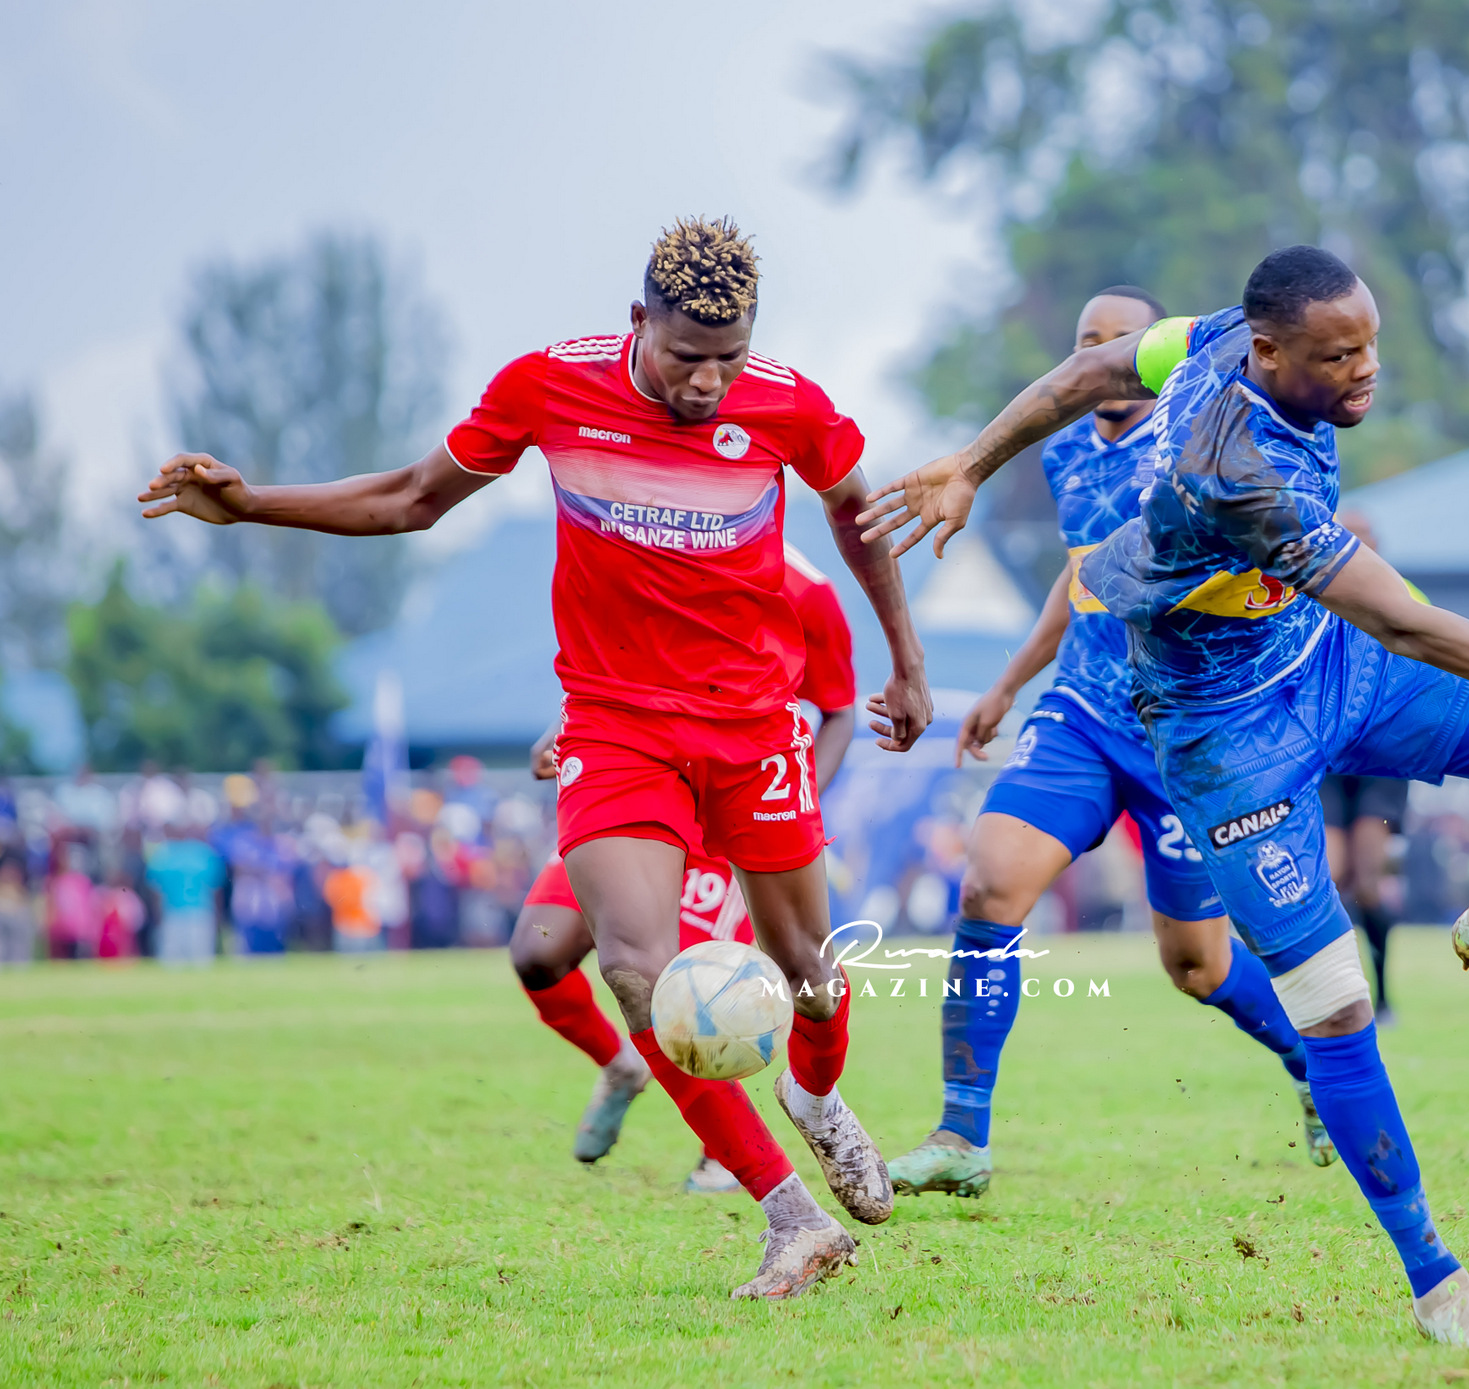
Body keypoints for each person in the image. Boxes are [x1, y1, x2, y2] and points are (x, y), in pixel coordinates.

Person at [859, 245, 1469, 1349]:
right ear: (1271, 353)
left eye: (1369, 345)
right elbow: (1402, 620)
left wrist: (970, 463)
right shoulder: (1238, 477)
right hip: (1230, 739)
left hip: (1327, 663)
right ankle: (1439, 1287)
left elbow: (1088, 374)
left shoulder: (1214, 334)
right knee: (1336, 1006)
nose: (1366, 371)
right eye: (1339, 356)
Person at [138, 216, 933, 1301]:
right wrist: (252, 506)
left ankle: (817, 1098)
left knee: (811, 977)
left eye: (729, 358)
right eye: (686, 356)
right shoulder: (550, 387)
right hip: (614, 725)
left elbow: (858, 518)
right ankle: (788, 1217)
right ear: (638, 320)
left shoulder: (788, 404)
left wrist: (906, 663)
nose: (708, 383)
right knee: (636, 969)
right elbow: (414, 498)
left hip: (754, 729)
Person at [887, 288, 1334, 1205]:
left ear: (1155, 352)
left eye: (1120, 340)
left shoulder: (1199, 439)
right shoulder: (1061, 451)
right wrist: (1009, 683)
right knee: (989, 882)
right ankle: (961, 1133)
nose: (1101, 355)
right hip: (1085, 711)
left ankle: (1309, 1056)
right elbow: (1081, 570)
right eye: (1086, 340)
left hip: (1186, 730)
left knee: (1198, 966)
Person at [510, 543, 858, 1193]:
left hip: (727, 810)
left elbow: (838, 707)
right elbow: (612, 662)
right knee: (537, 953)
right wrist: (561, 729)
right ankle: (621, 1066)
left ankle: (728, 1152)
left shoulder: (806, 590)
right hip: (628, 785)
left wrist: (793, 809)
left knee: (698, 987)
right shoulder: (640, 539)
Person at [1317, 509, 1414, 1024]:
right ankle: (1334, 997)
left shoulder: (1404, 595)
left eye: (1365, 539)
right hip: (1328, 755)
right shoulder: (1306, 599)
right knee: (1331, 874)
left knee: (1370, 881)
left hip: (1383, 755)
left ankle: (1384, 994)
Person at [146, 823, 226, 965]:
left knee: (195, 961)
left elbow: (216, 888)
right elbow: (156, 891)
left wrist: (217, 916)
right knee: (178, 961)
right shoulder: (163, 854)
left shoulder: (202, 853)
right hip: (175, 913)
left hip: (198, 913)